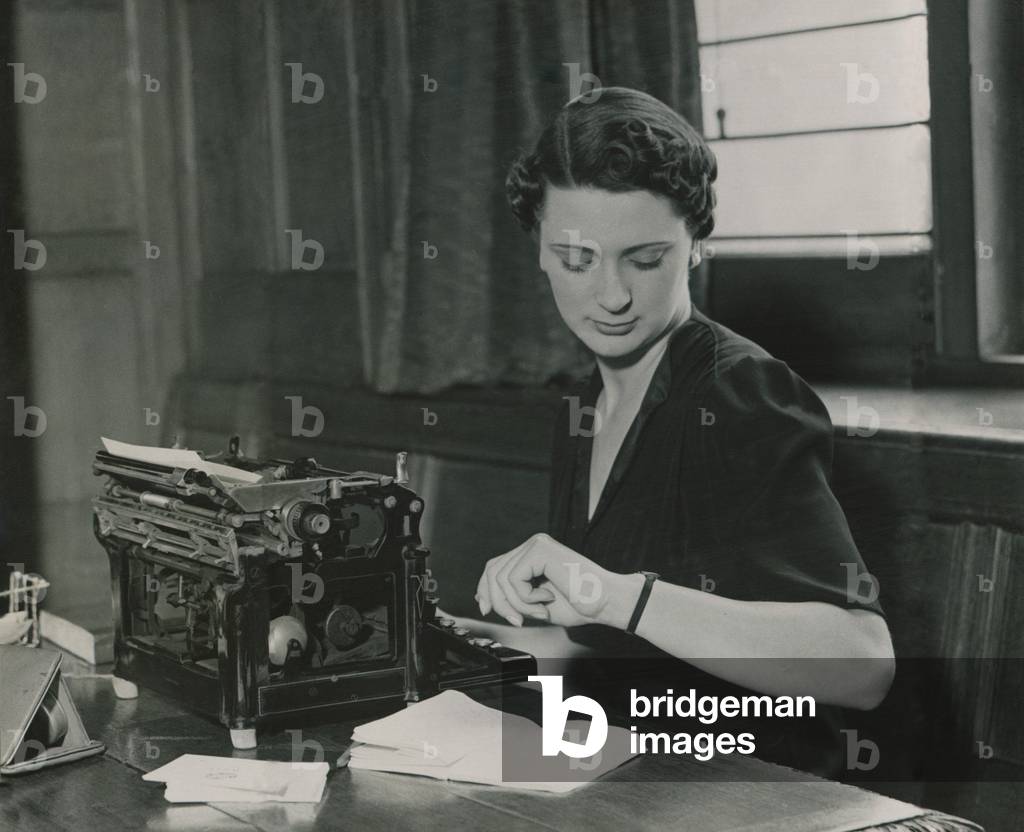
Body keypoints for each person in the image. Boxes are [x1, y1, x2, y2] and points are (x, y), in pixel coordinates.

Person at [445, 87, 894, 776]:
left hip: (759, 792)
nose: (613, 294)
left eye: (644, 259)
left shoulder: (739, 393)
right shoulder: (587, 401)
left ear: (696, 247)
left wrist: (615, 593)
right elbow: (622, 658)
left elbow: (863, 665)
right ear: (538, 250)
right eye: (576, 259)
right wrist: (466, 642)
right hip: (630, 778)